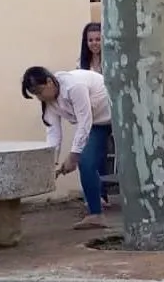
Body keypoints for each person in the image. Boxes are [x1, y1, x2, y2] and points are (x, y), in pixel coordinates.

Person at [22, 66, 111, 229]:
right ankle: (96, 214)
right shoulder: (49, 103)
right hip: (98, 123)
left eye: (39, 92)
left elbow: (84, 121)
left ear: (49, 82)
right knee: (87, 163)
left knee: (83, 158)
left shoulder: (74, 86)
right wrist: (51, 165)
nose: (39, 98)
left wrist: (73, 156)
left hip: (115, 114)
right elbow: (53, 134)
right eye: (35, 95)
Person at [76, 21, 111, 208]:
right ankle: (100, 196)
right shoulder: (82, 64)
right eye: (90, 40)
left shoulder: (111, 59)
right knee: (95, 155)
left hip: (113, 113)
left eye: (98, 39)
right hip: (95, 116)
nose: (94, 43)